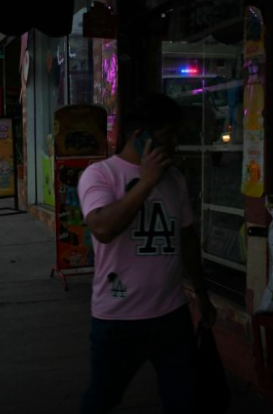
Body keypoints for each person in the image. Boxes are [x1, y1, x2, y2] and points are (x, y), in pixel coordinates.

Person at [77, 93, 216, 414]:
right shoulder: (100, 175)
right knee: (102, 399)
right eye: (167, 136)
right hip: (117, 319)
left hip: (172, 316)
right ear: (140, 137)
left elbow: (187, 239)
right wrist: (145, 183)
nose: (175, 144)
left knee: (184, 401)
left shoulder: (175, 180)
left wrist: (202, 295)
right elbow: (101, 228)